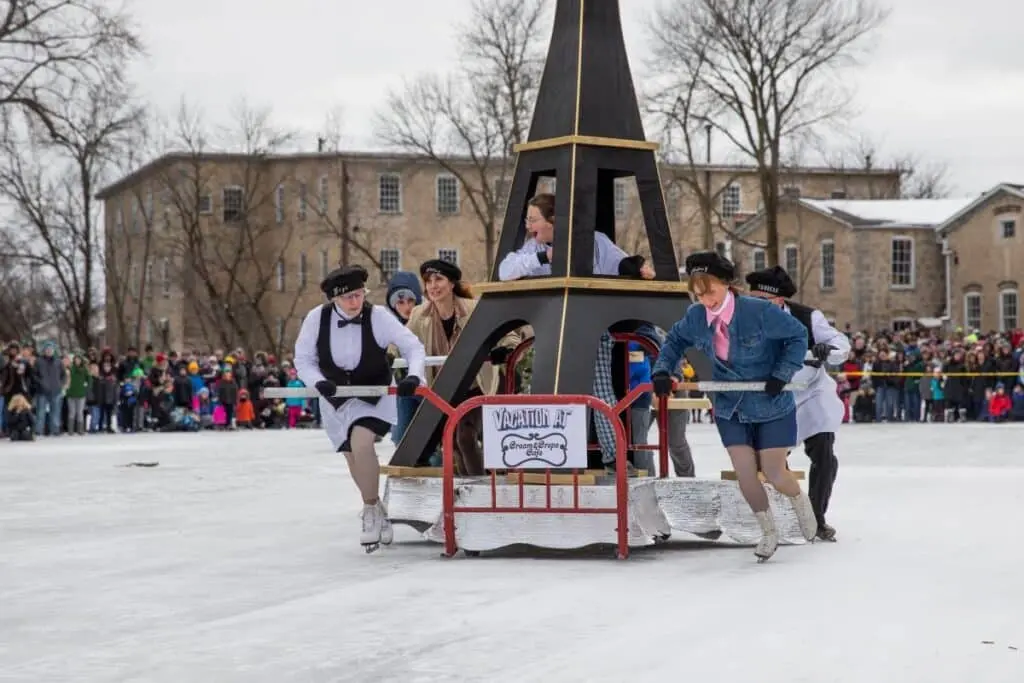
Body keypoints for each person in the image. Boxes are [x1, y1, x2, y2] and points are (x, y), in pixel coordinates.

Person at [651, 251, 817, 562]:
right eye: (697, 294)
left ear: (727, 284)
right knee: (745, 473)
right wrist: (662, 370)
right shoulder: (696, 317)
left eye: (710, 291)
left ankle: (800, 503)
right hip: (731, 405)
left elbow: (798, 335)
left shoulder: (758, 311)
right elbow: (674, 341)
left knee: (774, 471)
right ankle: (768, 531)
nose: (705, 300)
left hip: (771, 402)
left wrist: (782, 374)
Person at [498, 192, 654, 475]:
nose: (528, 225)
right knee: (549, 389)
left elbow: (618, 263)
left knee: (601, 392)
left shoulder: (593, 241)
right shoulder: (534, 248)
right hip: (553, 330)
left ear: (553, 220)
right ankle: (547, 455)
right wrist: (542, 256)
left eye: (533, 219)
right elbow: (505, 270)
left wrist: (637, 267)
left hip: (591, 327)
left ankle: (614, 458)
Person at [294, 264, 426, 552]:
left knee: (362, 441)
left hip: (374, 393)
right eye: (347, 298)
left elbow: (413, 347)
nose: (355, 303)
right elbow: (303, 359)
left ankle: (368, 510)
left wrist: (415, 375)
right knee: (352, 456)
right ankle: (378, 508)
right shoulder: (317, 319)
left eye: (358, 295)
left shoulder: (377, 317)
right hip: (337, 398)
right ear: (334, 299)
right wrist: (318, 382)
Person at [746, 265, 851, 542]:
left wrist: (827, 350)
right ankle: (766, 518)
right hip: (774, 396)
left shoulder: (807, 317)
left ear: (779, 300)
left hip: (811, 391)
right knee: (766, 460)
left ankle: (816, 518)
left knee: (824, 453)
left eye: (762, 301)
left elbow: (841, 345)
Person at [405, 258, 519, 473]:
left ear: (452, 283)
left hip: (476, 385)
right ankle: (468, 489)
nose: (433, 286)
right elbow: (400, 341)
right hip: (444, 389)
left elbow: (510, 338)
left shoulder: (474, 309)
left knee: (464, 436)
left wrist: (503, 350)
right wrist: (391, 356)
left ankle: (479, 487)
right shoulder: (420, 314)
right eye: (428, 281)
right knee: (454, 443)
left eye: (438, 279)